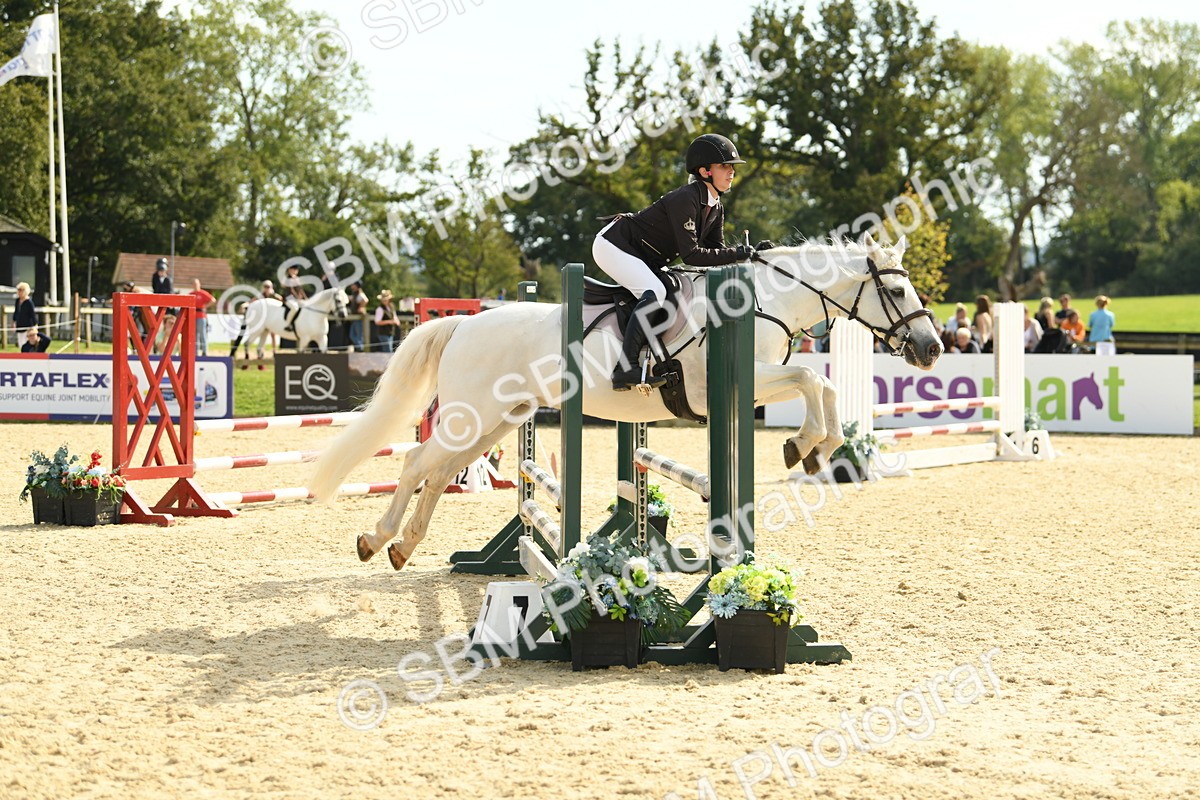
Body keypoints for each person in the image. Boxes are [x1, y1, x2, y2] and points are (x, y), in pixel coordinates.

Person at [592, 133, 761, 391]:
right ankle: (626, 368)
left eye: (732, 168)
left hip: (643, 256)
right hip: (614, 245)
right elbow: (692, 255)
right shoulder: (686, 198)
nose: (731, 173)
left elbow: (716, 252)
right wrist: (737, 253)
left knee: (671, 287)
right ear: (705, 171)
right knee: (655, 291)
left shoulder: (716, 206)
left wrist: (755, 255)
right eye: (725, 167)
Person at [280, 263, 308, 334]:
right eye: (294, 269)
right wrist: (298, 298)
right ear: (289, 270)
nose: (295, 271)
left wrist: (306, 298)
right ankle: (287, 324)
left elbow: (301, 290)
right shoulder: (287, 279)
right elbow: (291, 290)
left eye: (296, 269)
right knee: (295, 308)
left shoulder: (297, 279)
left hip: (297, 299)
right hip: (289, 298)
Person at [190, 278, 215, 357]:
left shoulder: (203, 293)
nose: (195, 286)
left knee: (202, 334)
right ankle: (196, 352)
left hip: (201, 316)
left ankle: (204, 352)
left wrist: (206, 306)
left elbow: (213, 300)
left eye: (196, 284)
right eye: (194, 284)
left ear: (199, 284)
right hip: (193, 316)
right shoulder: (191, 294)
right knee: (194, 336)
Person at [347, 281, 367, 351]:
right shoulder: (355, 294)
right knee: (352, 335)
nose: (352, 286)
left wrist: (361, 307)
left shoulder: (360, 294)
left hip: (358, 318)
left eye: (353, 285)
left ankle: (361, 349)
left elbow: (365, 300)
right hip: (354, 319)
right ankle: (360, 348)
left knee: (358, 336)